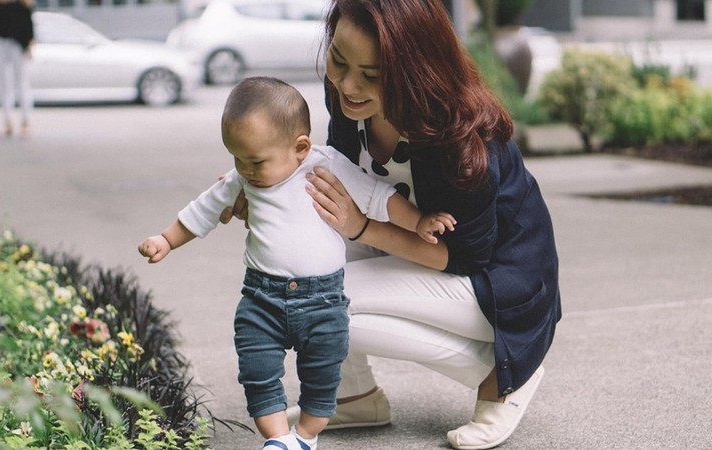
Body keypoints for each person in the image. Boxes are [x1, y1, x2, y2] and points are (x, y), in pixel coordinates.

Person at [222, 1, 561, 449]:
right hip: (416, 246)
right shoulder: (348, 101)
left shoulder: (457, 138)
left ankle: (507, 371)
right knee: (298, 260)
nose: (347, 84)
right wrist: (262, 192)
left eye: (372, 74)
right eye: (338, 60)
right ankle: (354, 395)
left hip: (499, 284)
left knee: (322, 301)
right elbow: (332, 175)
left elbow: (462, 256)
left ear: (414, 70)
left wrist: (362, 228)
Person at [138, 77, 456, 450]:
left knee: (322, 380)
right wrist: (165, 240)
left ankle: (306, 436)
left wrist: (418, 222)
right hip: (261, 298)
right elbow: (202, 210)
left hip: (322, 301)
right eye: (237, 158)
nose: (245, 169)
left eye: (255, 160)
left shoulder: (326, 167)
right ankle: (277, 439)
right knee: (257, 373)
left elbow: (378, 198)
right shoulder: (243, 176)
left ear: (300, 147)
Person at [0, 0, 34, 137]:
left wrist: (29, 45)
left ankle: (25, 121)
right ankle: (7, 122)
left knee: (21, 81)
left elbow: (28, 21)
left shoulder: (22, 2)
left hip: (18, 43)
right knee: (3, 83)